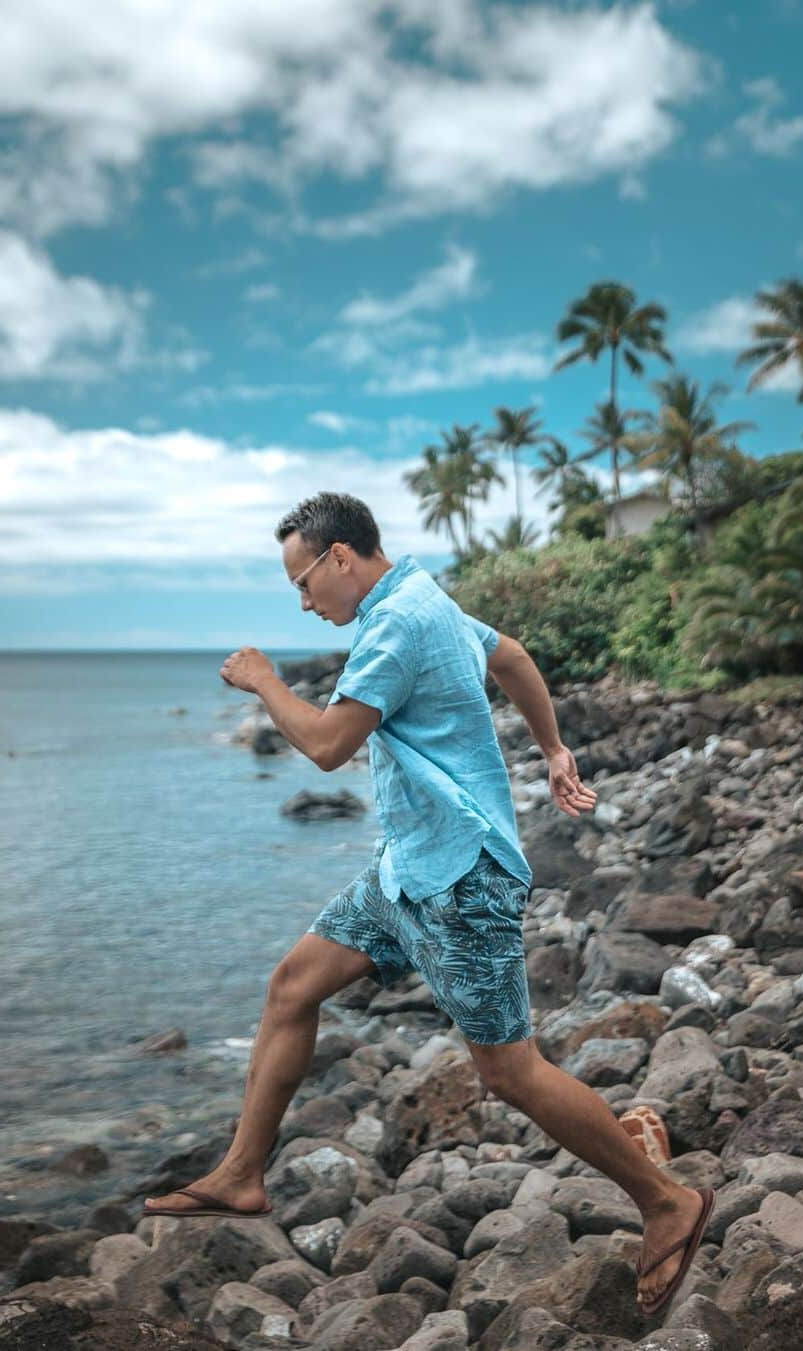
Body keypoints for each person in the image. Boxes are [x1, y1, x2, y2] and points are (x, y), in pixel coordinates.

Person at [144, 491, 713, 1316]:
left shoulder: (396, 623)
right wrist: (553, 748)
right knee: (292, 985)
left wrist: (265, 680)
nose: (304, 602)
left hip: (462, 878)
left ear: (341, 557)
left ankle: (666, 1201)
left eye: (304, 582)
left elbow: (331, 746)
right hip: (406, 871)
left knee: (509, 1071)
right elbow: (510, 655)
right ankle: (241, 1173)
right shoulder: (424, 597)